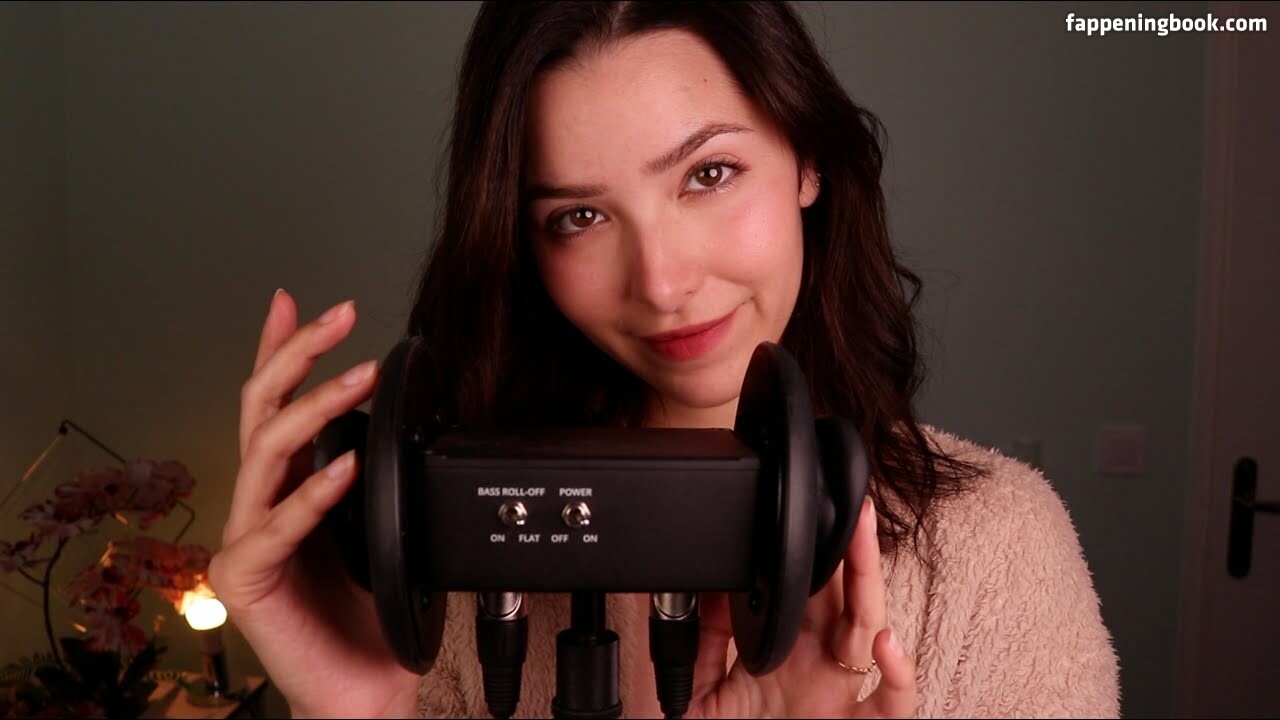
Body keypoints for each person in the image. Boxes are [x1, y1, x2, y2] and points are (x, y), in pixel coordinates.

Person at [209, 2, 1121, 718]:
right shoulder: (451, 557)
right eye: (579, 216)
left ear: (808, 158)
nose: (663, 282)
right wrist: (362, 712)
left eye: (708, 174)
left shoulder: (1000, 555)